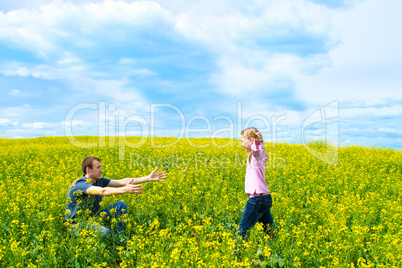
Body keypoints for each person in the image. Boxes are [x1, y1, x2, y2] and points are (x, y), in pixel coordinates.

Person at [65, 155, 167, 239]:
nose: (101, 170)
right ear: (88, 170)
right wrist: (124, 190)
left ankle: (119, 240)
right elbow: (102, 191)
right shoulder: (80, 184)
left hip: (91, 220)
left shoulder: (99, 181)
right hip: (77, 225)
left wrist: (148, 178)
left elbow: (122, 181)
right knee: (105, 233)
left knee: (120, 206)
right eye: (98, 167)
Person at [235, 127, 275, 254]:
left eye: (243, 141)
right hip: (265, 199)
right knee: (270, 231)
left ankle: (236, 258)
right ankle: (275, 252)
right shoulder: (254, 156)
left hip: (256, 198)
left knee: (243, 229)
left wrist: (257, 143)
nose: (241, 144)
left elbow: (257, 150)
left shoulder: (259, 153)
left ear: (251, 140)